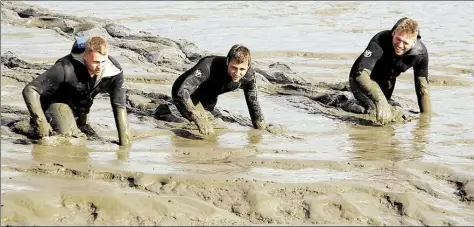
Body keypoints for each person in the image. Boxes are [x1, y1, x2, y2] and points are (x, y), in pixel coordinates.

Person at [22, 36, 131, 146]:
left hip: (81, 109)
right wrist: (40, 122)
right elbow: (30, 90)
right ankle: (28, 128)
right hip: (57, 104)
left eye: (103, 61)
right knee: (73, 139)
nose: (100, 66)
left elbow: (119, 106)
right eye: (95, 62)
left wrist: (125, 144)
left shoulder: (114, 71)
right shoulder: (65, 67)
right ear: (85, 56)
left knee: (88, 137)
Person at [349, 17, 432, 125]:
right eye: (398, 39)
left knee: (390, 112)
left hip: (387, 82)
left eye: (405, 43)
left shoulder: (420, 54)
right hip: (361, 81)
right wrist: (380, 99)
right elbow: (360, 74)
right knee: (370, 111)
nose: (400, 45)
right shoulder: (380, 40)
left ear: (413, 42)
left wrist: (426, 118)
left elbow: (422, 88)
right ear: (393, 33)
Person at [171, 44, 268, 135]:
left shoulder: (249, 75)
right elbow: (182, 91)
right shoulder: (207, 66)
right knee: (210, 130)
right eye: (234, 68)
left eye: (242, 69)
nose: (237, 73)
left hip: (210, 97)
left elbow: (253, 104)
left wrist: (262, 130)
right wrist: (197, 117)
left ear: (248, 67)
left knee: (216, 124)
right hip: (184, 95)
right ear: (227, 62)